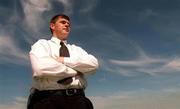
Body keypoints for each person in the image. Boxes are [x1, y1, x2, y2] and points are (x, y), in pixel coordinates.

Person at [27, 14, 99, 109]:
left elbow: (93, 65)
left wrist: (64, 60)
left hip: (79, 100)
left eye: (68, 24)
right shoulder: (42, 44)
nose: (67, 25)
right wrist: (77, 71)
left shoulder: (77, 49)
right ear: (52, 26)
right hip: (47, 100)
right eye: (63, 22)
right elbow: (41, 69)